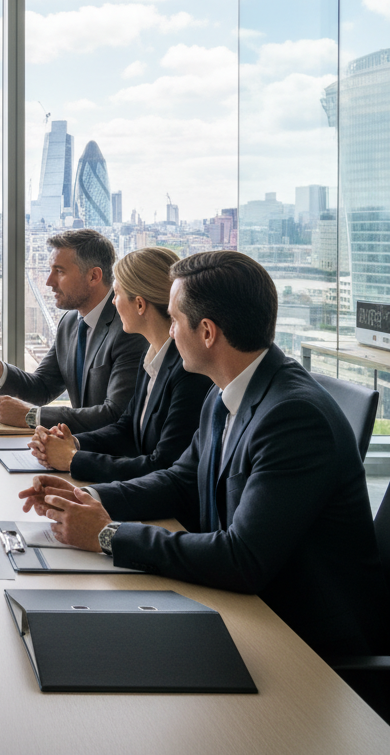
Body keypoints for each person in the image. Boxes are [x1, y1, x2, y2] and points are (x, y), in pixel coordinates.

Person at [20, 250, 389, 660]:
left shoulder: (293, 417)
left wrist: (108, 535)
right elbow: (180, 480)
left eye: (175, 320)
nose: (171, 332)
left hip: (303, 643)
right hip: (246, 610)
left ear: (208, 332)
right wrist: (90, 499)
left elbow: (242, 557)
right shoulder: (224, 391)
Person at [28, 247, 212, 482]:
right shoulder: (153, 356)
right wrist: (74, 442)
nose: (113, 303)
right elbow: (127, 427)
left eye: (116, 294)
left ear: (139, 305)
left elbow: (162, 465)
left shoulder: (188, 372)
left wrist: (73, 459)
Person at [0, 229, 146, 431]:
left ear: (94, 276)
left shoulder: (129, 329)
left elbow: (115, 414)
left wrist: (32, 416)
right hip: (73, 448)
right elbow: (42, 388)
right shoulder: (69, 323)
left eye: (60, 271)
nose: (49, 282)